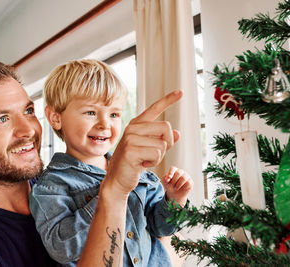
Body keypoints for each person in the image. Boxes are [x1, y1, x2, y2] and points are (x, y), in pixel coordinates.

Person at [0, 61, 183, 267]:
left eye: (28, 111)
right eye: (2, 119)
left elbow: (166, 248)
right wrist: (113, 191)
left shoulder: (71, 184)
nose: (28, 130)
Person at [29, 60, 193, 267]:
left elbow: (161, 228)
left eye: (114, 114)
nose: (104, 124)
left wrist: (174, 200)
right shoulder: (50, 186)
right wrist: (112, 191)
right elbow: (62, 247)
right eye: (91, 112)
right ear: (55, 118)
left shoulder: (140, 172)